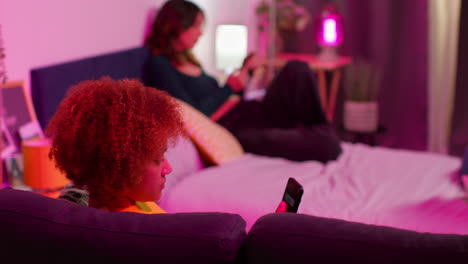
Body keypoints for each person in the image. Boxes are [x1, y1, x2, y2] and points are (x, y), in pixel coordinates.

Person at [143, 0, 342, 163]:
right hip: (237, 131)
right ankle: (320, 134)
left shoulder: (187, 59)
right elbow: (194, 113)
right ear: (178, 26)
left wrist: (245, 72)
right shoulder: (160, 64)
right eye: (196, 25)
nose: (200, 32)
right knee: (328, 146)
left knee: (297, 68)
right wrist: (229, 87)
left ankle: (320, 128)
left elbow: (224, 97)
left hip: (253, 112)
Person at [46, 77, 185, 214]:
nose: (168, 169)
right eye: (157, 160)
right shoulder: (141, 227)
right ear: (119, 166)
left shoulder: (136, 202)